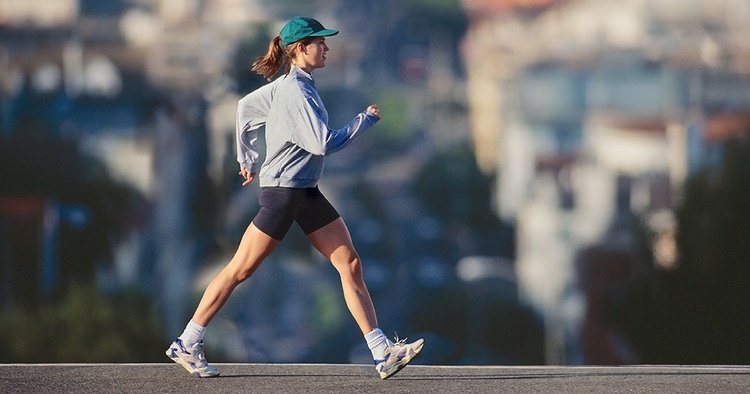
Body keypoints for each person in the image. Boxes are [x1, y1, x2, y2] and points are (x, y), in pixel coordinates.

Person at [165, 16, 424, 380]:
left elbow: (244, 108)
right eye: (321, 42)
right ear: (301, 49)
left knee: (349, 264)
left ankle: (382, 353)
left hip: (305, 191)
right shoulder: (295, 92)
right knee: (240, 269)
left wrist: (248, 159)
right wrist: (363, 121)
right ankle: (187, 342)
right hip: (285, 195)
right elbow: (322, 143)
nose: (327, 48)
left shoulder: (290, 85)